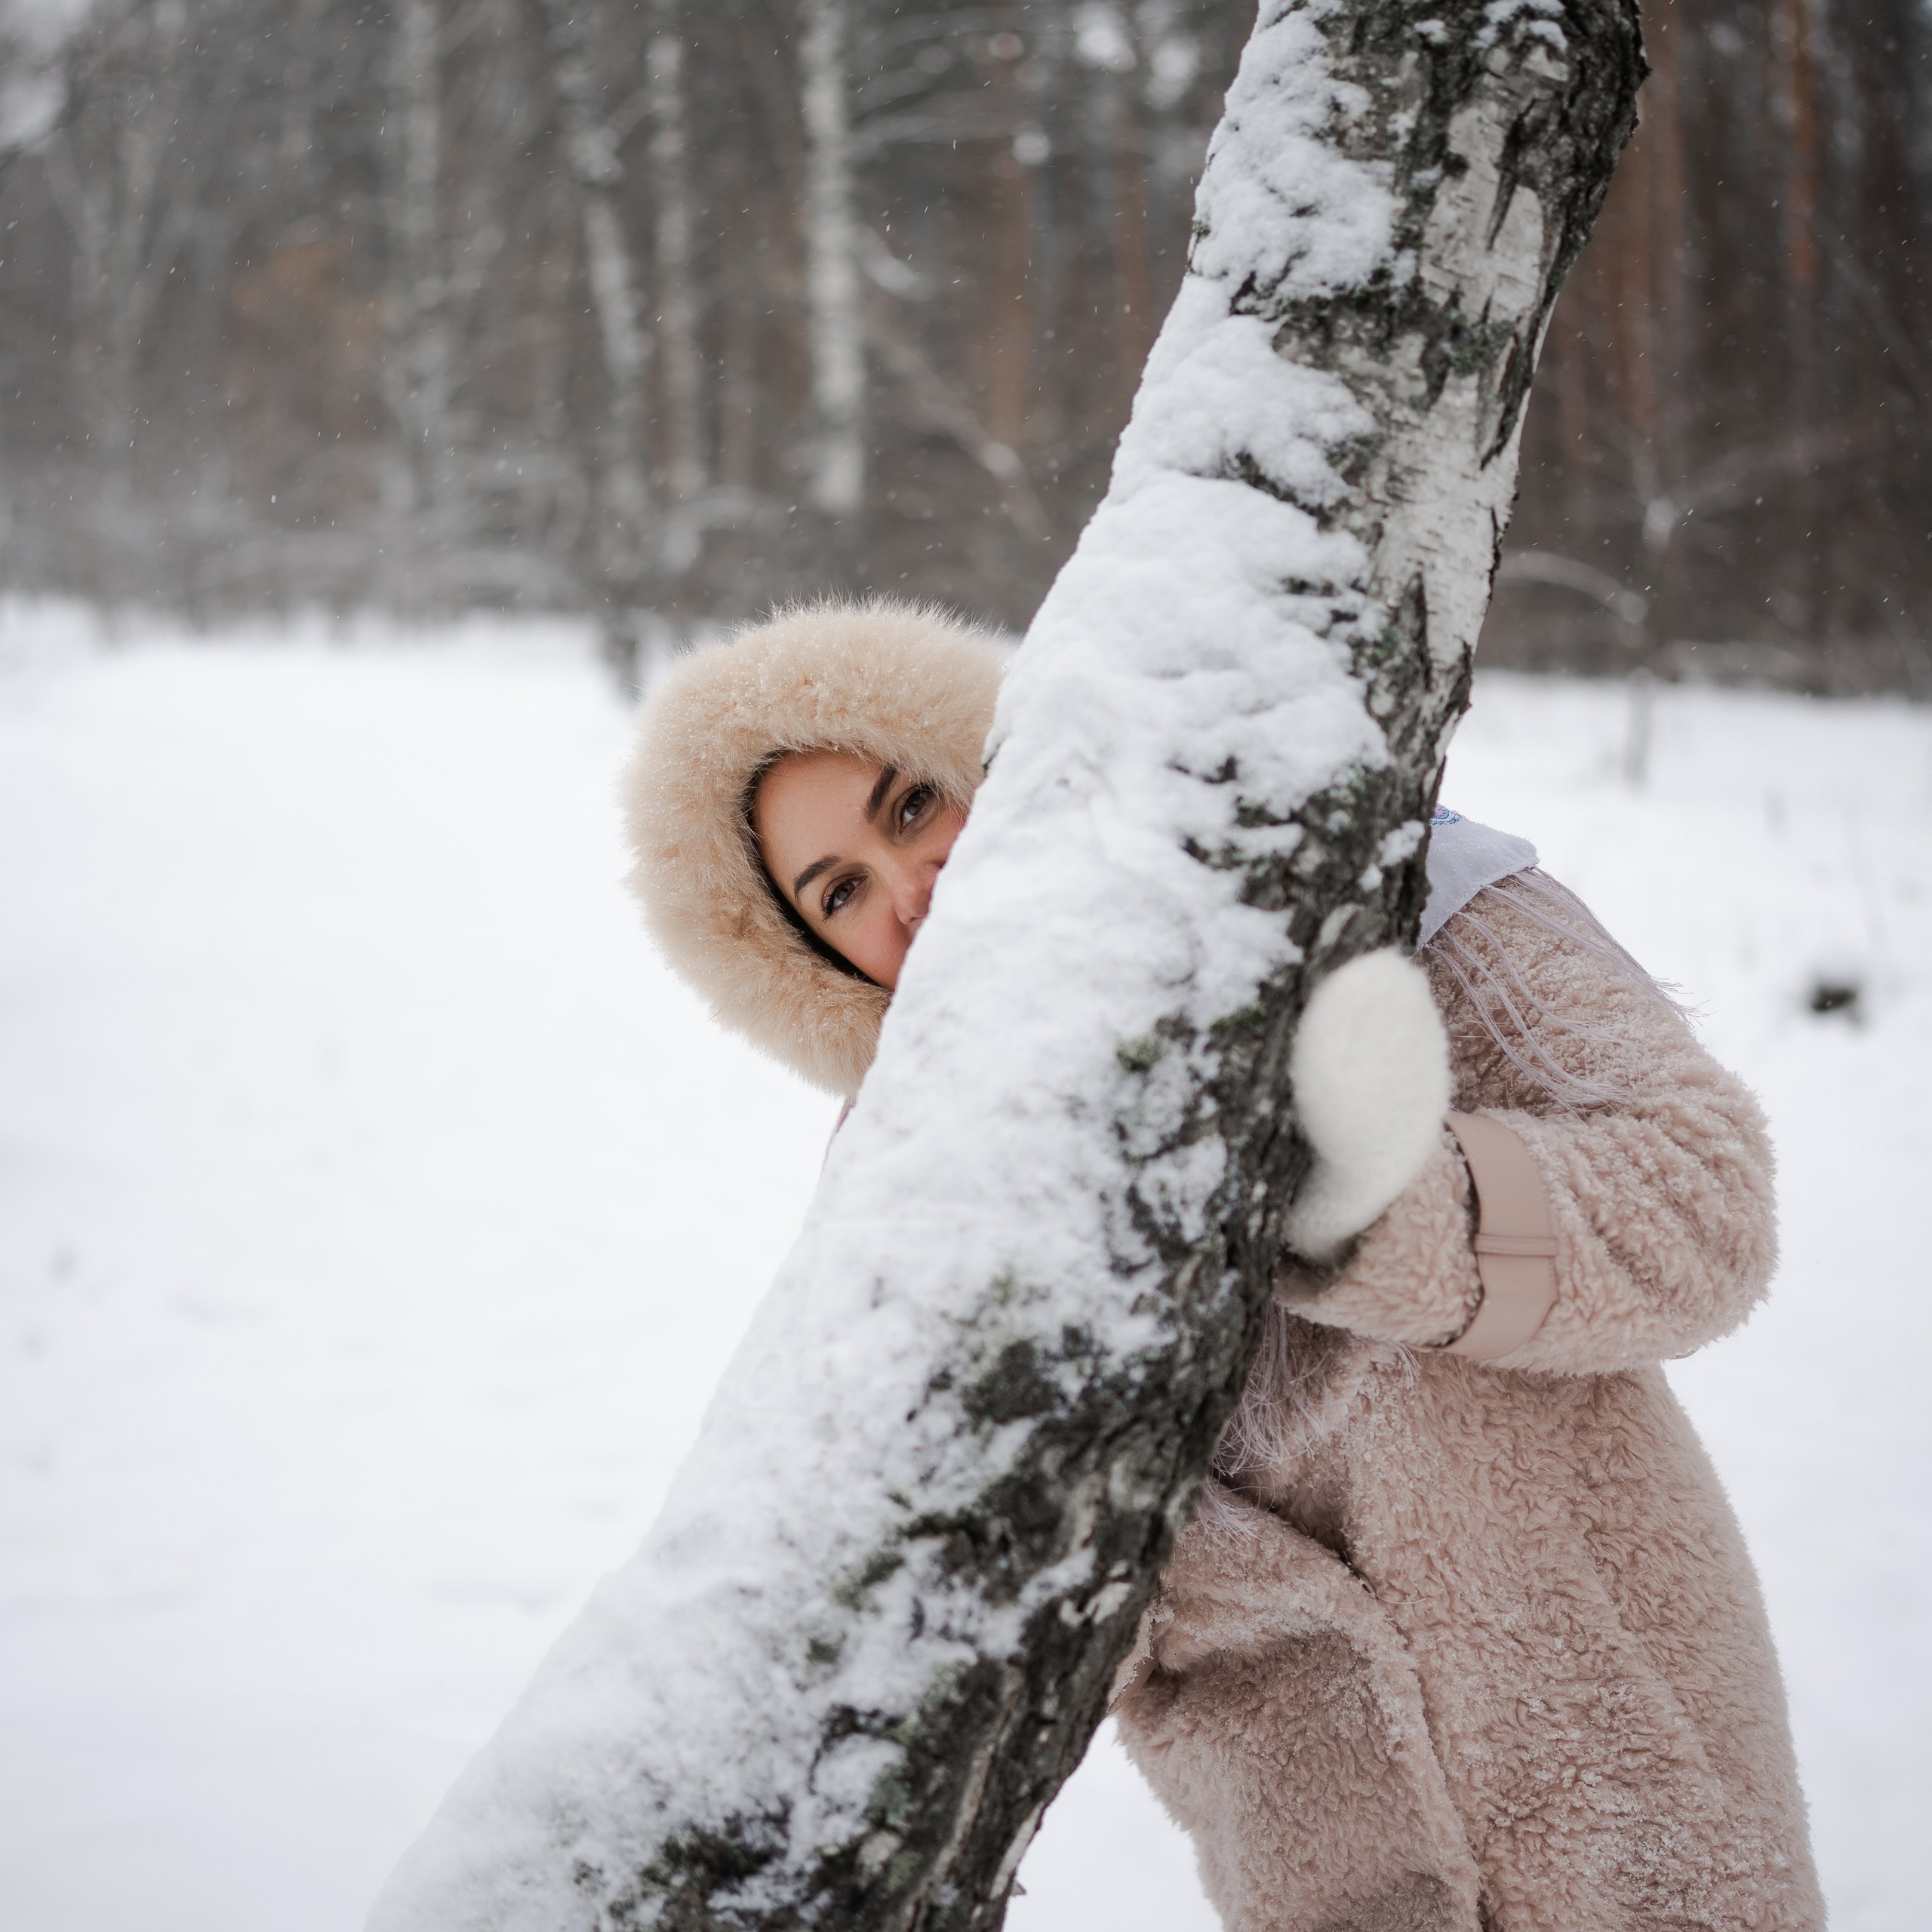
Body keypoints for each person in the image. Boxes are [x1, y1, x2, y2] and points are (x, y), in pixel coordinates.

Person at [623, 598, 1825, 1932]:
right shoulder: (908, 1189)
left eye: (913, 806)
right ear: (810, 965)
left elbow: (1709, 1204)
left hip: (1632, 1795)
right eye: (838, 891)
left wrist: (1374, 1210)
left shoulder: (1366, 884)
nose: (913, 891)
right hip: (1332, 1888)